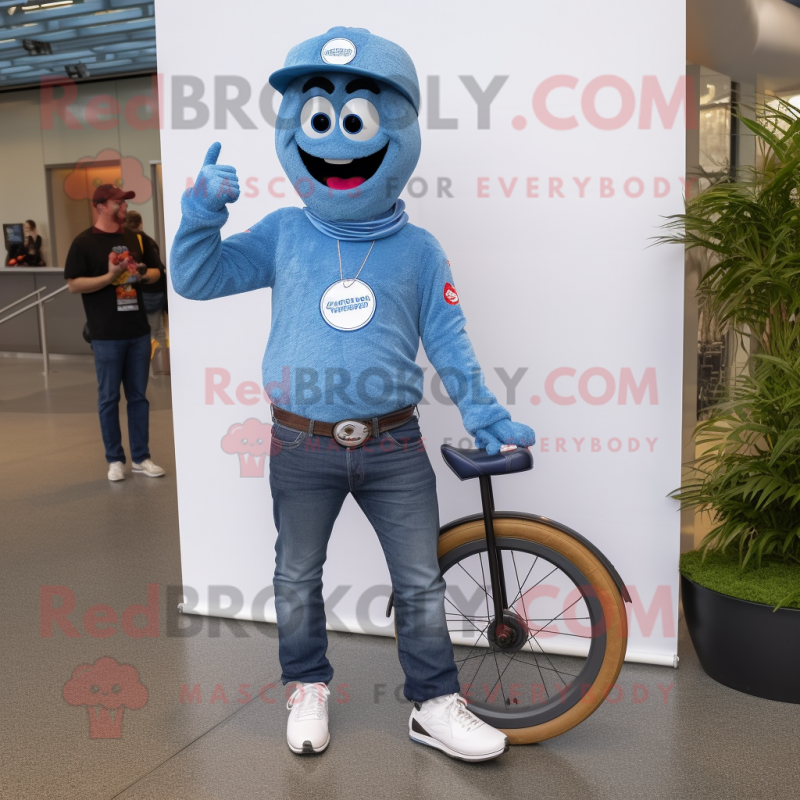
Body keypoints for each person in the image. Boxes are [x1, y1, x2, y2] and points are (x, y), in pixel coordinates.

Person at [170, 28, 535, 761]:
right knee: (297, 576)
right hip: (299, 441)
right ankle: (306, 687)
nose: (336, 140)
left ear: (399, 129)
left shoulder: (421, 249)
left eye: (359, 118)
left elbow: (450, 344)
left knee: (420, 585)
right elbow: (197, 279)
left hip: (395, 444)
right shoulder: (282, 233)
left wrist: (485, 414)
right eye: (317, 117)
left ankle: (434, 703)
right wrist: (202, 215)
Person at [64, 185, 166, 482]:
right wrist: (109, 276)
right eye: (118, 202)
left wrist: (142, 275)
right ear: (100, 205)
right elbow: (73, 285)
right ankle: (114, 460)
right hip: (105, 333)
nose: (124, 206)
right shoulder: (83, 243)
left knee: (138, 397)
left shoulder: (136, 238)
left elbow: (158, 272)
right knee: (108, 398)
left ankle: (141, 457)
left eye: (125, 202)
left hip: (137, 331)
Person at [124, 211, 168, 360]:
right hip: (157, 290)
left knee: (148, 330)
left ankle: (152, 359)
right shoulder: (148, 241)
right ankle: (162, 358)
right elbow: (159, 267)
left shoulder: (131, 243)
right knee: (157, 327)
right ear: (140, 223)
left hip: (145, 291)